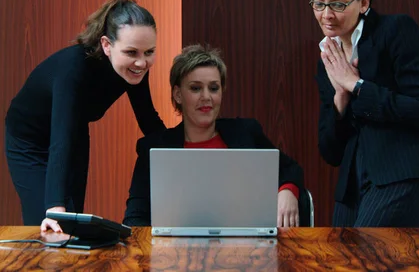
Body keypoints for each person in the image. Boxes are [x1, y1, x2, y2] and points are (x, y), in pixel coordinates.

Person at [311, 0, 419, 227]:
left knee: (370, 260)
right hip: (353, 183)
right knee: (340, 264)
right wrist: (340, 98)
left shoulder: (396, 30)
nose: (326, 15)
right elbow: (330, 152)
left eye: (338, 5)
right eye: (318, 4)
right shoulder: (327, 58)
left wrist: (356, 85)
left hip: (403, 169)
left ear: (364, 2)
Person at [5, 0, 166, 232]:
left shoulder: (134, 68)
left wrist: (181, 153)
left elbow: (148, 119)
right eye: (131, 52)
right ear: (106, 45)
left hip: (73, 130)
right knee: (51, 223)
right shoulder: (73, 69)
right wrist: (55, 207)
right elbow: (61, 140)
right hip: (29, 140)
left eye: (149, 52)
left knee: (72, 224)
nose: (141, 62)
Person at [123, 44, 304, 227]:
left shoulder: (247, 132)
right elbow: (135, 219)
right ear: (178, 95)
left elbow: (290, 169)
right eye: (195, 88)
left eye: (214, 88)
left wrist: (287, 191)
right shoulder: (153, 149)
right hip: (175, 252)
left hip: (245, 250)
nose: (206, 97)